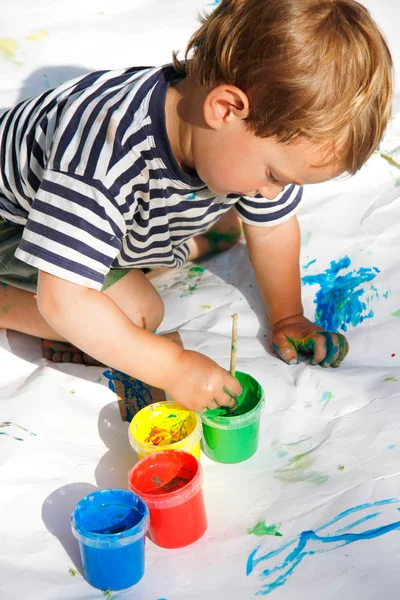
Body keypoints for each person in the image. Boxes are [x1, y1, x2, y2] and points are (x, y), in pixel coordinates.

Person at [0, 0, 392, 411]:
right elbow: (63, 298)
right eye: (274, 176)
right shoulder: (107, 149)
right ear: (224, 108)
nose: (275, 193)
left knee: (230, 225)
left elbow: (273, 227)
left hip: (100, 209)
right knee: (137, 314)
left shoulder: (231, 139)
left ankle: (152, 251)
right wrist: (171, 368)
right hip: (16, 221)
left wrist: (288, 318)